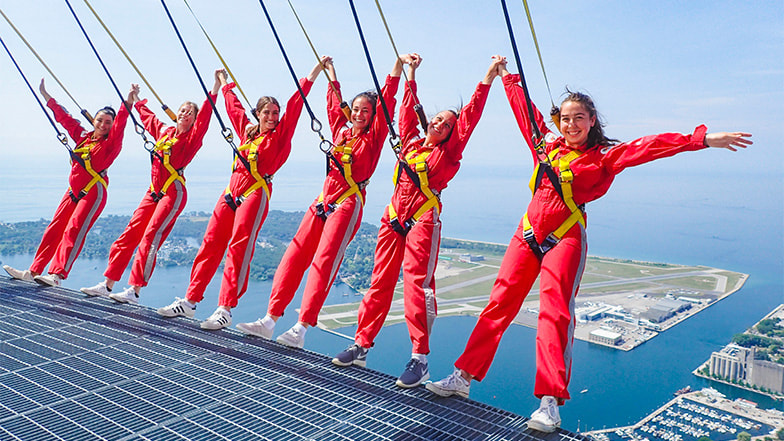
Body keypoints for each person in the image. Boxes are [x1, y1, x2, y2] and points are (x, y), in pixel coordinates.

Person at [425, 62, 752, 432]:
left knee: (554, 313)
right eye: (565, 119)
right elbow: (524, 111)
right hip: (527, 231)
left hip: (566, 236)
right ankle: (462, 377)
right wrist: (507, 77)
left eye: (579, 118)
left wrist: (701, 140)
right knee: (499, 303)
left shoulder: (602, 157)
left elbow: (648, 147)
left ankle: (549, 402)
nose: (571, 125)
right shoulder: (545, 145)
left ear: (592, 120)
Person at [330, 55, 506, 389]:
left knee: (416, 286)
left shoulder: (448, 153)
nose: (440, 124)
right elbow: (406, 111)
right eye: (438, 118)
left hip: (423, 217)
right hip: (394, 215)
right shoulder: (410, 142)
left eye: (447, 125)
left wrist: (486, 79)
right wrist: (408, 73)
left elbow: (469, 119)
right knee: (378, 281)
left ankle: (420, 358)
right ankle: (362, 343)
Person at [235, 55, 407, 348]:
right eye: (355, 109)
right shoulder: (340, 130)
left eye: (366, 110)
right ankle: (270, 319)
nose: (359, 114)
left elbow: (388, 100)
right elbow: (332, 103)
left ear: (373, 115)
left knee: (323, 261)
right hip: (322, 200)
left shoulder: (374, 136)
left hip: (348, 201)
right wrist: (330, 73)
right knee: (294, 256)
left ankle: (301, 328)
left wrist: (397, 70)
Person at [155, 60, 322, 330]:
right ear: (258, 114)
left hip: (256, 191)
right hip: (231, 192)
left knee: (239, 248)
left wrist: (312, 74)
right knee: (210, 244)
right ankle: (190, 300)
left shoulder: (280, 135)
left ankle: (225, 308)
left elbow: (296, 104)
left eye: (275, 112)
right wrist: (224, 82)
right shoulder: (247, 131)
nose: (272, 116)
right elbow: (234, 108)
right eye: (267, 112)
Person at [80, 71, 222, 304]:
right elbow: (149, 119)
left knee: (150, 237)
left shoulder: (192, 138)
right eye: (183, 110)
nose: (185, 114)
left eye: (190, 113)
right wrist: (136, 100)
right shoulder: (165, 132)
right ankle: (108, 284)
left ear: (194, 120)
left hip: (172, 192)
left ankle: (134, 291)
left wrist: (214, 88)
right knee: (129, 234)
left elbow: (206, 115)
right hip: (153, 191)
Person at [3, 79, 130, 287]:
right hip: (73, 191)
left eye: (108, 122)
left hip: (93, 192)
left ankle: (57, 274)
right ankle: (33, 271)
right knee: (53, 229)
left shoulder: (111, 144)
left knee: (74, 229)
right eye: (100, 120)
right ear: (94, 121)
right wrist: (46, 96)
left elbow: (121, 125)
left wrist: (128, 104)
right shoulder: (83, 137)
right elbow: (65, 118)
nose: (103, 125)